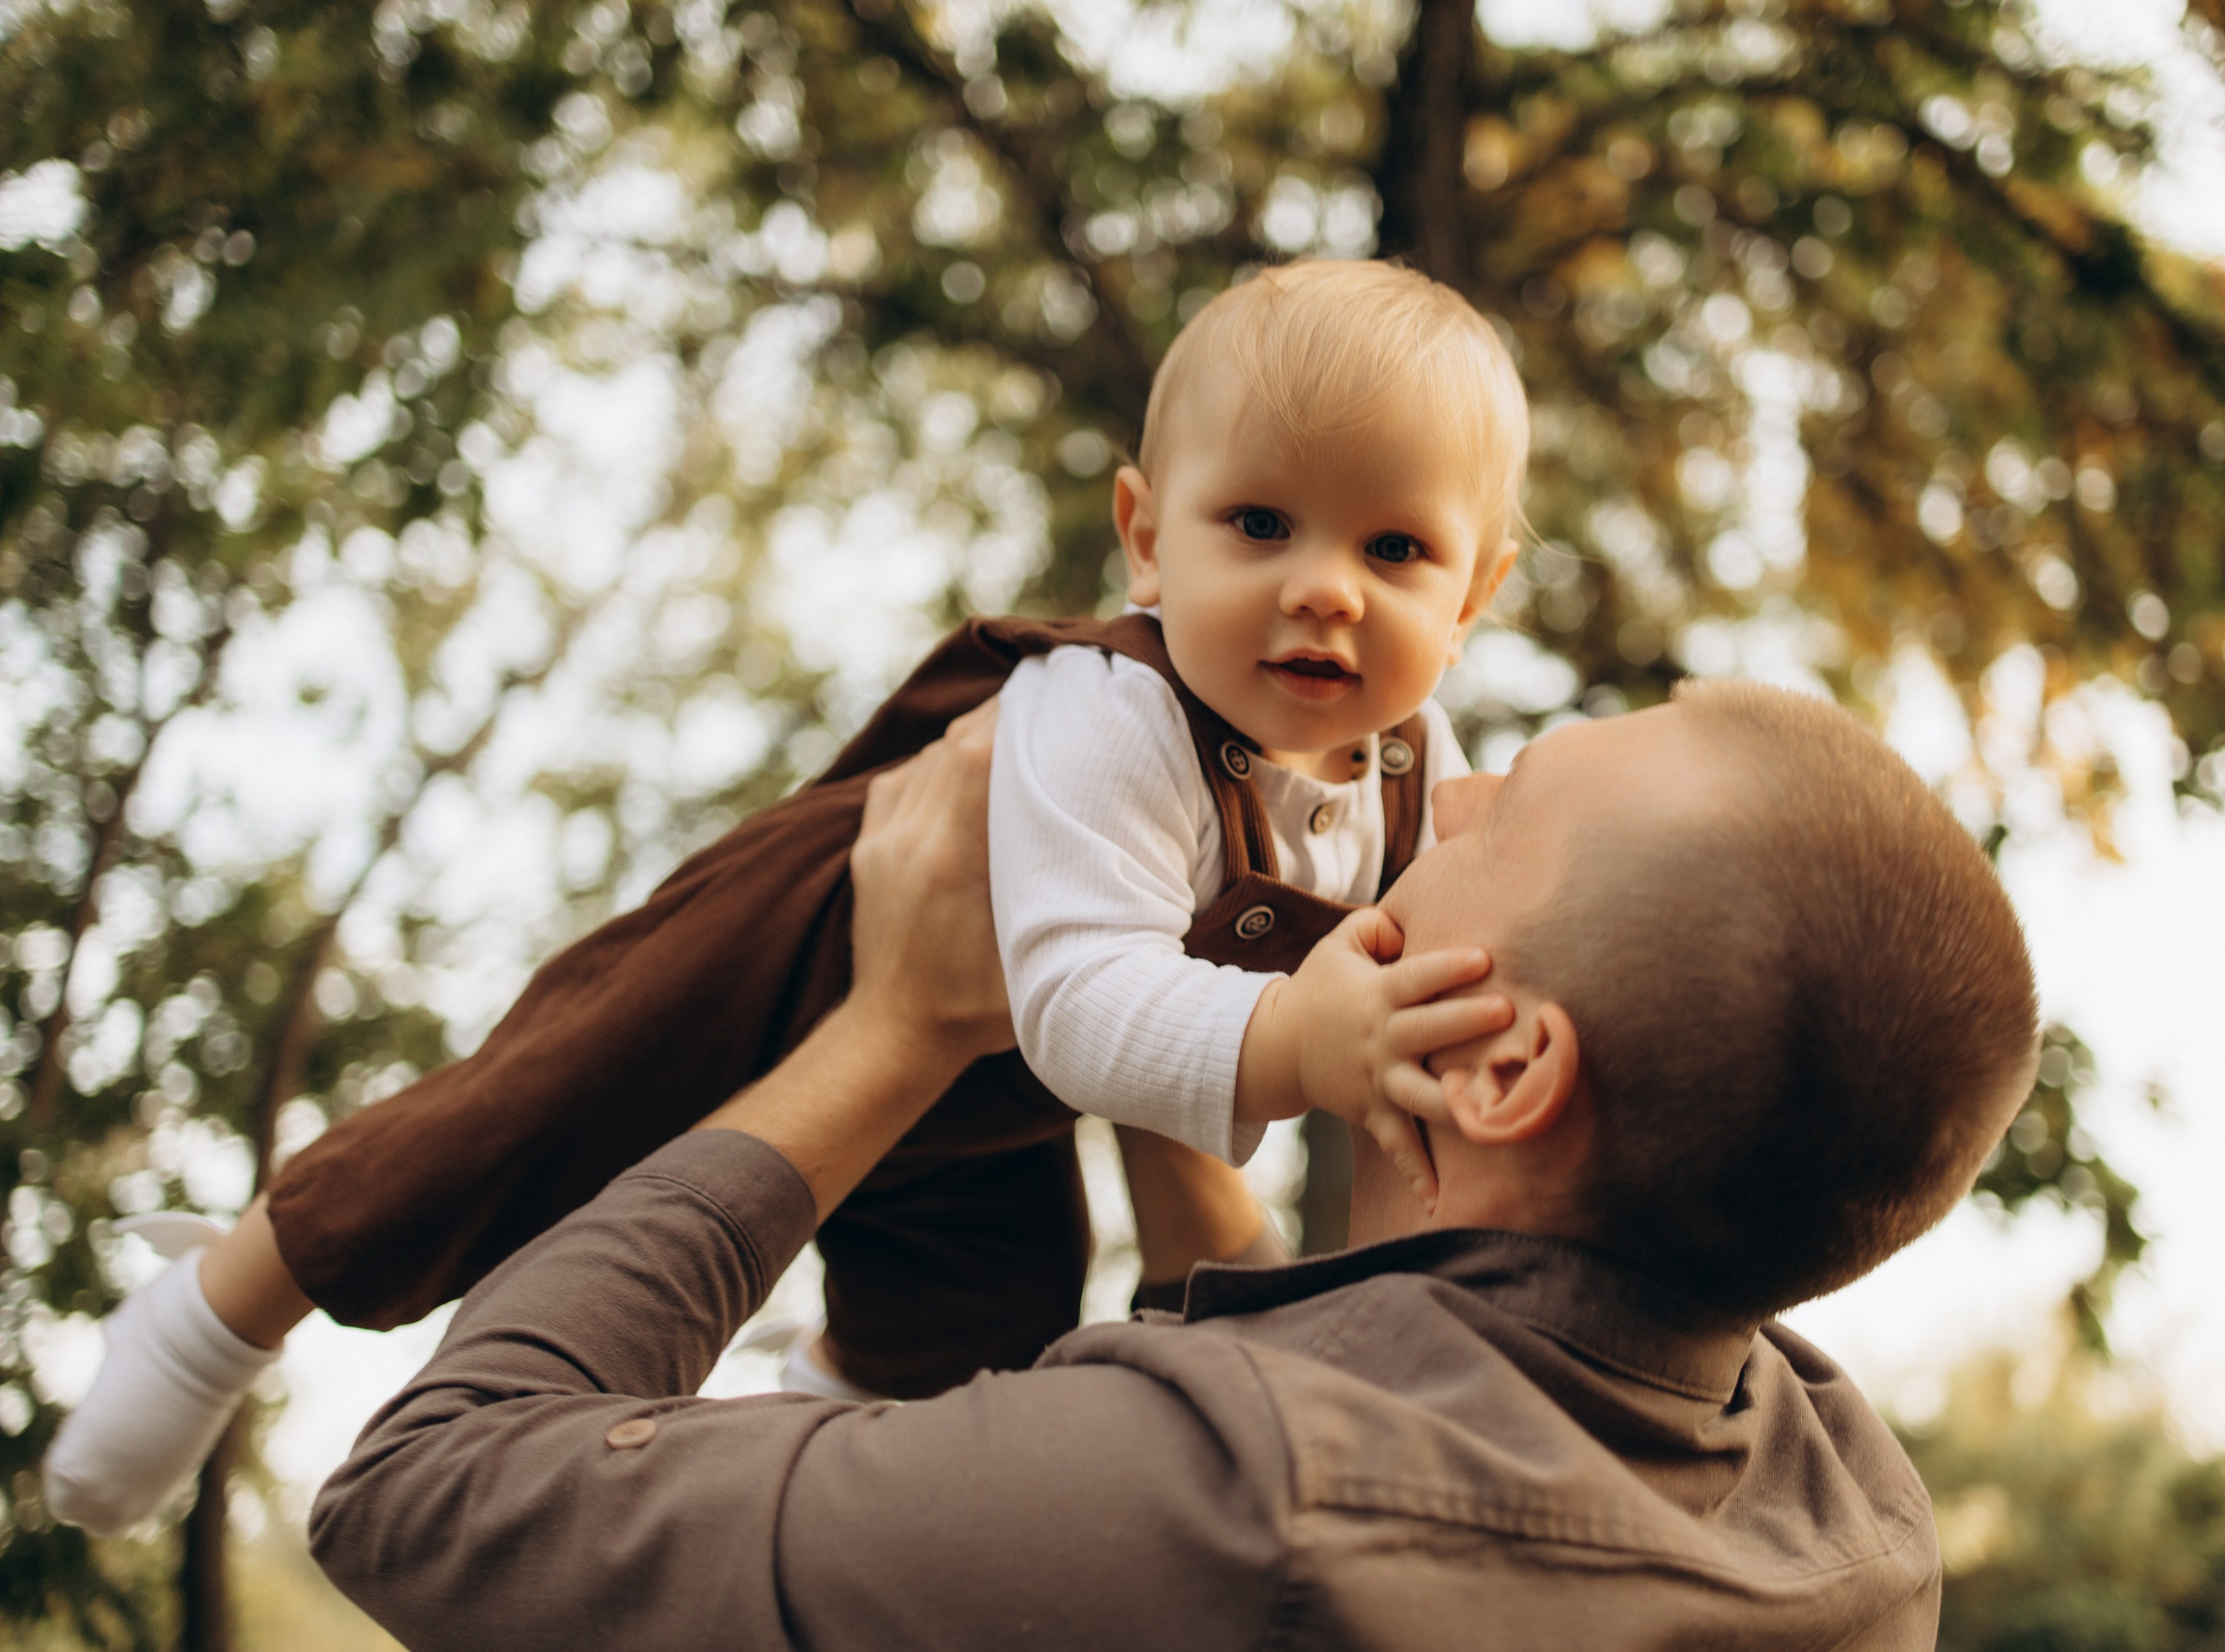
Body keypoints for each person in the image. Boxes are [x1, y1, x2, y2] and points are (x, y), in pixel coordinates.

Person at [45, 259, 1527, 1531]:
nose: (1324, 587)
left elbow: (1451, 949)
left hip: (988, 1097)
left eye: (1395, 548)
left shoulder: (1419, 768)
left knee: (980, 1333)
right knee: (530, 1118)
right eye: (1258, 524)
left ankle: (810, 1430)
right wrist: (1301, 1045)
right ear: (1145, 537)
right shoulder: (1113, 709)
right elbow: (1081, 1001)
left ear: (1470, 601)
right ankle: (220, 1308)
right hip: (803, 960)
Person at [310, 674, 2039, 1651]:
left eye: (1511, 811)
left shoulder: (1216, 1513)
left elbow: (429, 1495)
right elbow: (1362, 1389)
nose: (1454, 787)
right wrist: (1178, 1051)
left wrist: (896, 1027)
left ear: (1503, 1063)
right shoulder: (1848, 1516)